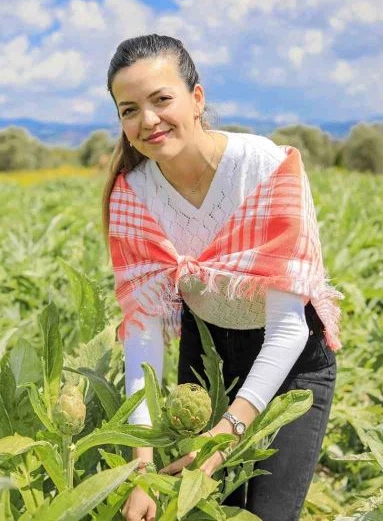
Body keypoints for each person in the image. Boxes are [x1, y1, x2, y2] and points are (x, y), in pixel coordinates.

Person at [102, 34, 342, 521]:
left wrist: (227, 431)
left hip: (290, 364)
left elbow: (290, 327)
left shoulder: (264, 167)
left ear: (197, 99)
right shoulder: (134, 194)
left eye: (162, 99)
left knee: (267, 516)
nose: (147, 120)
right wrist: (141, 466)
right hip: (205, 355)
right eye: (129, 110)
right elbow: (143, 332)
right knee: (205, 512)